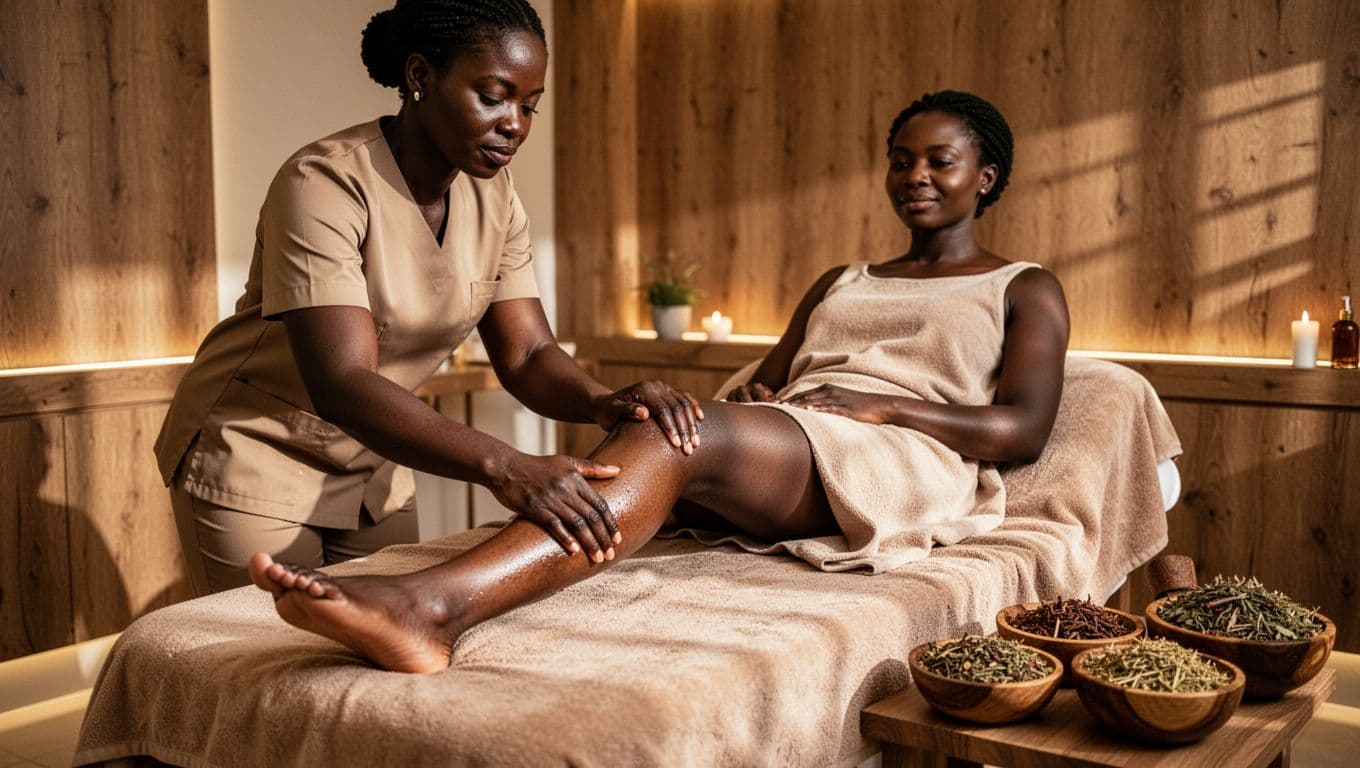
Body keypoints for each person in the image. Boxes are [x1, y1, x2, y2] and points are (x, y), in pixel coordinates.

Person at [249, 90, 1072, 674]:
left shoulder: (1022, 286)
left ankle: (433, 606)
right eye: (901, 161)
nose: (915, 176)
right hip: (808, 440)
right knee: (671, 427)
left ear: (985, 177)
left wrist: (884, 404)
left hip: (899, 455)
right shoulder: (841, 279)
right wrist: (752, 405)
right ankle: (428, 599)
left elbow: (1024, 428)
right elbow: (774, 381)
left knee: (684, 434)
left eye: (940, 161)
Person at [154, 0, 703, 595]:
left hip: (373, 466)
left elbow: (528, 354)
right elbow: (341, 380)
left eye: (528, 105)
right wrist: (507, 466)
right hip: (259, 453)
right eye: (493, 96)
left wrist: (604, 403)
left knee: (387, 642)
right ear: (420, 78)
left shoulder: (497, 200)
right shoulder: (324, 182)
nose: (514, 123)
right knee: (266, 655)